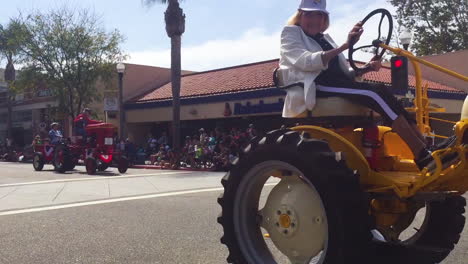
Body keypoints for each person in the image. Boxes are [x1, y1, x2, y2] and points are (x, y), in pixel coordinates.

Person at [278, 0, 446, 170]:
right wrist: (346, 45)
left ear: (324, 20)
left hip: (335, 83)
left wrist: (366, 68)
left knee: (380, 90)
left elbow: (344, 72)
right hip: (316, 86)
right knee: (372, 94)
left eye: (319, 15)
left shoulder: (324, 38)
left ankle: (426, 147)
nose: (314, 20)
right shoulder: (291, 33)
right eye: (309, 14)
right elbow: (306, 62)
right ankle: (420, 153)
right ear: (300, 15)